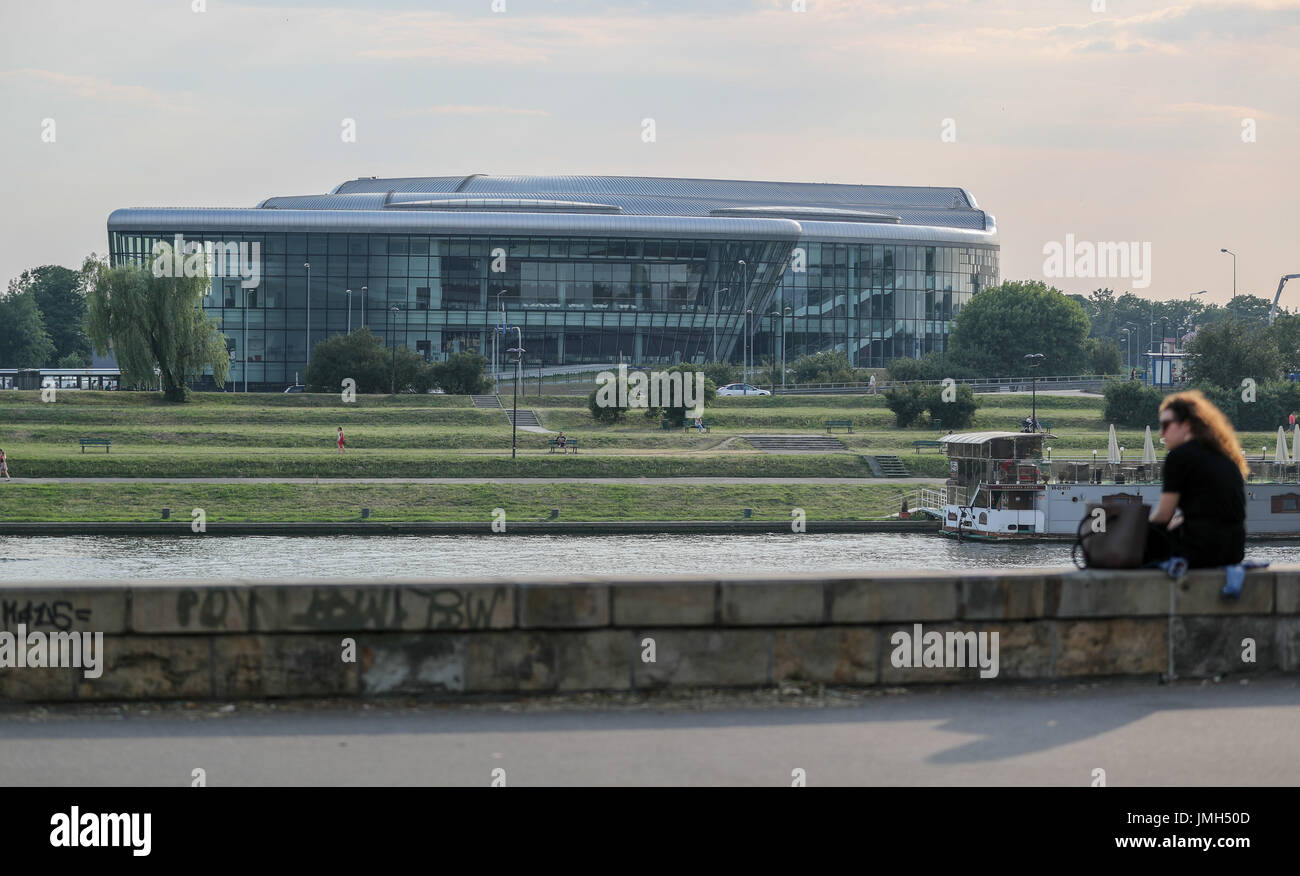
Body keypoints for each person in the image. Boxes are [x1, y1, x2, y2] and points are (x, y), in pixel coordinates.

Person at [1143, 390, 1247, 568]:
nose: (1161, 433)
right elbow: (1216, 510)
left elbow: (1163, 515)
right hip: (1234, 550)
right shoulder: (1225, 456)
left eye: (1166, 425)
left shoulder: (1179, 456)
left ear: (1187, 425)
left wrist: (1136, 534)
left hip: (1200, 549)